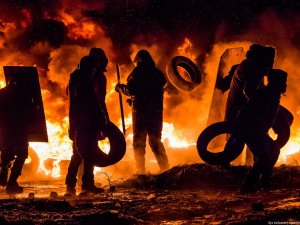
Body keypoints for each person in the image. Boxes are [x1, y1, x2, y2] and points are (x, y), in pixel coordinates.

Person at [116, 50, 169, 174]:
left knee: (139, 141)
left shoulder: (138, 72)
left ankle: (140, 171)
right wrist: (134, 100)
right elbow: (152, 92)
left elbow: (131, 89)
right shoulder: (158, 74)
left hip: (141, 112)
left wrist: (120, 88)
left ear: (138, 60)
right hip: (155, 112)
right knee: (155, 140)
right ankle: (165, 168)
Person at [235, 69, 287, 193]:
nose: (285, 85)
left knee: (274, 150)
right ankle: (247, 186)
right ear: (275, 82)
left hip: (258, 131)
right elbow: (248, 110)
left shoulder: (273, 95)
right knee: (263, 158)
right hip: (250, 129)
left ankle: (265, 181)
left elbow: (270, 116)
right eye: (283, 81)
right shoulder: (265, 94)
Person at [65, 48, 109, 194]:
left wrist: (72, 126)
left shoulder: (74, 79)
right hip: (88, 122)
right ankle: (87, 184)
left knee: (77, 153)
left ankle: (70, 183)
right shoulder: (86, 82)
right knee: (89, 153)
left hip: (77, 122)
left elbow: (71, 101)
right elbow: (95, 102)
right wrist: (102, 119)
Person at [0, 77, 29, 194]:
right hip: (17, 130)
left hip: (4, 131)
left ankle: (2, 178)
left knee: (6, 154)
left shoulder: (1, 93)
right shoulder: (20, 95)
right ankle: (12, 183)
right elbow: (26, 112)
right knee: (22, 155)